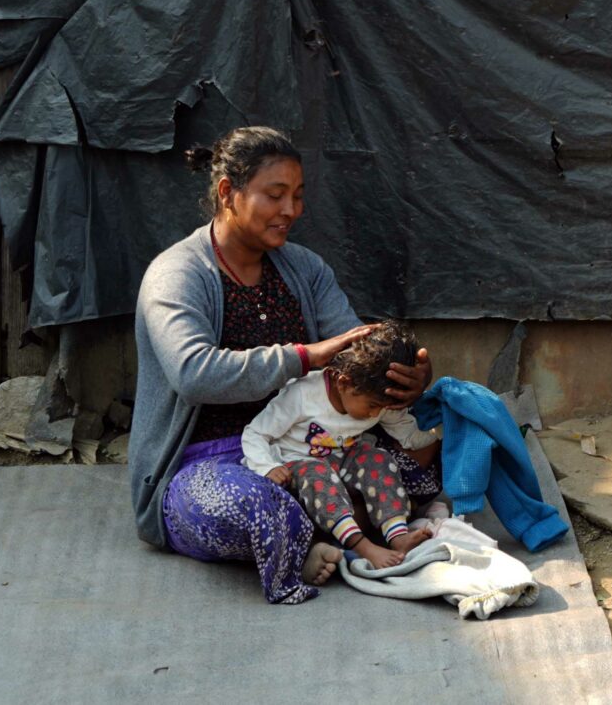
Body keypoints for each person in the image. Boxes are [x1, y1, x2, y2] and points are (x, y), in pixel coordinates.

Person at [130, 125, 437, 605]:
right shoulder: (177, 275)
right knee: (248, 507)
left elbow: (355, 351)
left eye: (297, 196)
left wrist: (405, 375)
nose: (292, 210)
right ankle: (318, 530)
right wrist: (304, 356)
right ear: (228, 193)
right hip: (209, 463)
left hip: (309, 451)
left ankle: (325, 527)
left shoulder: (305, 269)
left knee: (430, 447)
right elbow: (193, 374)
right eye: (275, 195)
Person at [241, 321, 441, 571]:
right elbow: (256, 433)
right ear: (344, 383)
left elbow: (406, 433)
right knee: (318, 474)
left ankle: (397, 535)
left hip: (341, 460)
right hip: (297, 466)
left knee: (377, 458)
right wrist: (267, 467)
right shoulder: (302, 395)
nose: (375, 414)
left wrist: (443, 430)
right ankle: (362, 546)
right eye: (372, 406)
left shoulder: (375, 398)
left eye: (382, 408)